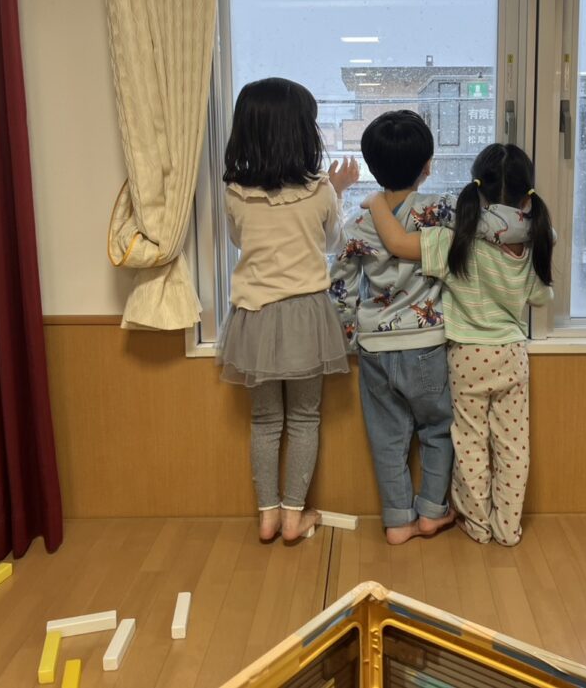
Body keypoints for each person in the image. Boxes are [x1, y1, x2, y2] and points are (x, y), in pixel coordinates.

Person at [365, 143, 553, 546]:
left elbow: (397, 244)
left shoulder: (455, 239)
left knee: (469, 443)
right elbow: (540, 298)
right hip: (511, 354)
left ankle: (477, 524)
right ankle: (507, 529)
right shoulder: (534, 241)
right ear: (527, 196)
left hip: (466, 356)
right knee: (513, 446)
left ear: (477, 189)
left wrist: (376, 203)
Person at [217, 77, 359, 543]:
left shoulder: (235, 193)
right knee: (303, 418)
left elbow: (240, 239)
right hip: (304, 315)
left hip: (255, 316)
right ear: (301, 132)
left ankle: (268, 517)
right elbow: (332, 243)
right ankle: (295, 516)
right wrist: (339, 190)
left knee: (264, 421)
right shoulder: (319, 190)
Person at [329, 110, 458, 545]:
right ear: (428, 166)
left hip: (376, 347)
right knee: (437, 429)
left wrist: (351, 337)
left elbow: (341, 288)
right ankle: (432, 512)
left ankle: (398, 521)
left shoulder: (357, 224)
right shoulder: (441, 210)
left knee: (387, 437)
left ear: (371, 167)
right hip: (427, 343)